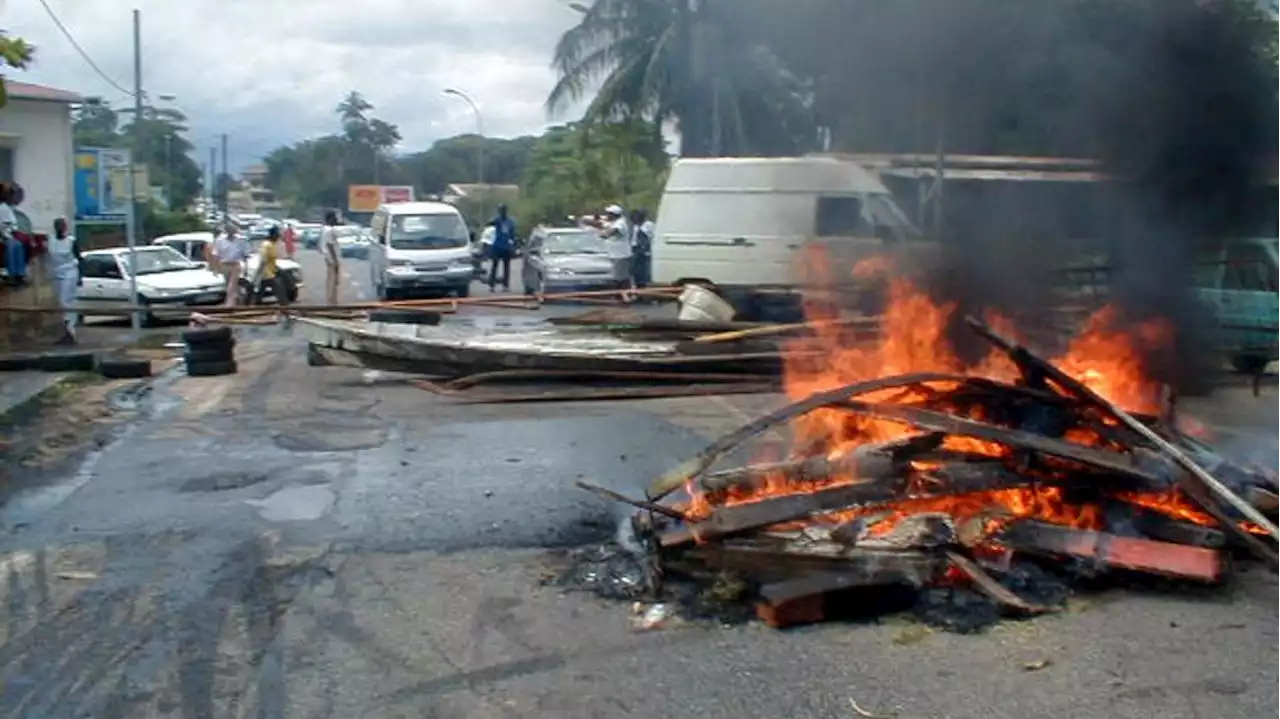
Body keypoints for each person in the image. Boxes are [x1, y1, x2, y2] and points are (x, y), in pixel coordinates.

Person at [46, 217, 81, 345]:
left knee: (66, 301)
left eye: (62, 226)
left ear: (65, 227)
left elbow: (79, 259)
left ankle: (70, 330)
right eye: (58, 225)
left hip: (70, 273)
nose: (60, 228)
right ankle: (66, 332)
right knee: (60, 303)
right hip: (56, 273)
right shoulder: (51, 240)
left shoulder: (71, 241)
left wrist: (80, 277)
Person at [212, 223, 248, 306]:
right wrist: (216, 269)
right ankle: (239, 301)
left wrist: (246, 268)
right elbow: (216, 254)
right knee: (230, 285)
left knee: (231, 286)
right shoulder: (220, 240)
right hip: (224, 265)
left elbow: (245, 255)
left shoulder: (241, 240)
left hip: (235, 265)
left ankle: (229, 305)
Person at [258, 225, 290, 311]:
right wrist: (260, 273)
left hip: (270, 271)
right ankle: (285, 307)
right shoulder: (266, 245)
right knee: (279, 290)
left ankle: (254, 304)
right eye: (277, 235)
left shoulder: (272, 245)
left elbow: (272, 260)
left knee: (260, 292)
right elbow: (263, 260)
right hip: (267, 273)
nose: (278, 238)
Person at [487, 204, 517, 292]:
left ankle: (505, 285)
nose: (502, 212)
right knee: (495, 266)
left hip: (506, 246)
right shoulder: (497, 220)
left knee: (506, 266)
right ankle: (492, 285)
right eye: (501, 211)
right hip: (497, 246)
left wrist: (513, 245)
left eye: (503, 210)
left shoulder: (510, 221)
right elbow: (489, 223)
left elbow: (512, 234)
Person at [0, 183, 24, 286]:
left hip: (9, 234)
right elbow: (3, 224)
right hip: (3, 235)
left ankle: (19, 274)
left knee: (18, 245)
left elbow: (13, 223)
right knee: (12, 245)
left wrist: (13, 229)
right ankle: (11, 274)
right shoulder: (2, 208)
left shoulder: (8, 208)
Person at [319, 210, 341, 305]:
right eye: (334, 218)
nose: (336, 220)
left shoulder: (324, 229)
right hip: (331, 258)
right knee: (333, 280)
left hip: (327, 257)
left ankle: (330, 300)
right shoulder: (330, 230)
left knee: (330, 280)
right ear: (330, 219)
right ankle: (332, 302)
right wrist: (335, 260)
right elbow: (330, 245)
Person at [630, 208, 653, 289]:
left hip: (644, 253)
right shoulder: (635, 227)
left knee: (644, 275)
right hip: (636, 251)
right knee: (636, 274)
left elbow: (648, 239)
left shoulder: (648, 225)